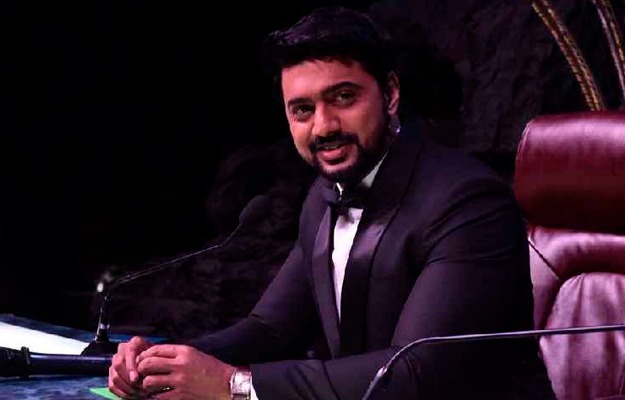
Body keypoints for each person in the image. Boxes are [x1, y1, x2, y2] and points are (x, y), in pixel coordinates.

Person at [108, 6, 556, 400]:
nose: (323, 126)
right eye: (302, 110)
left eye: (343, 98)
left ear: (390, 94)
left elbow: (414, 375)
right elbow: (272, 329)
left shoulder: (468, 202)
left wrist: (233, 385)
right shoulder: (324, 196)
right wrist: (165, 361)